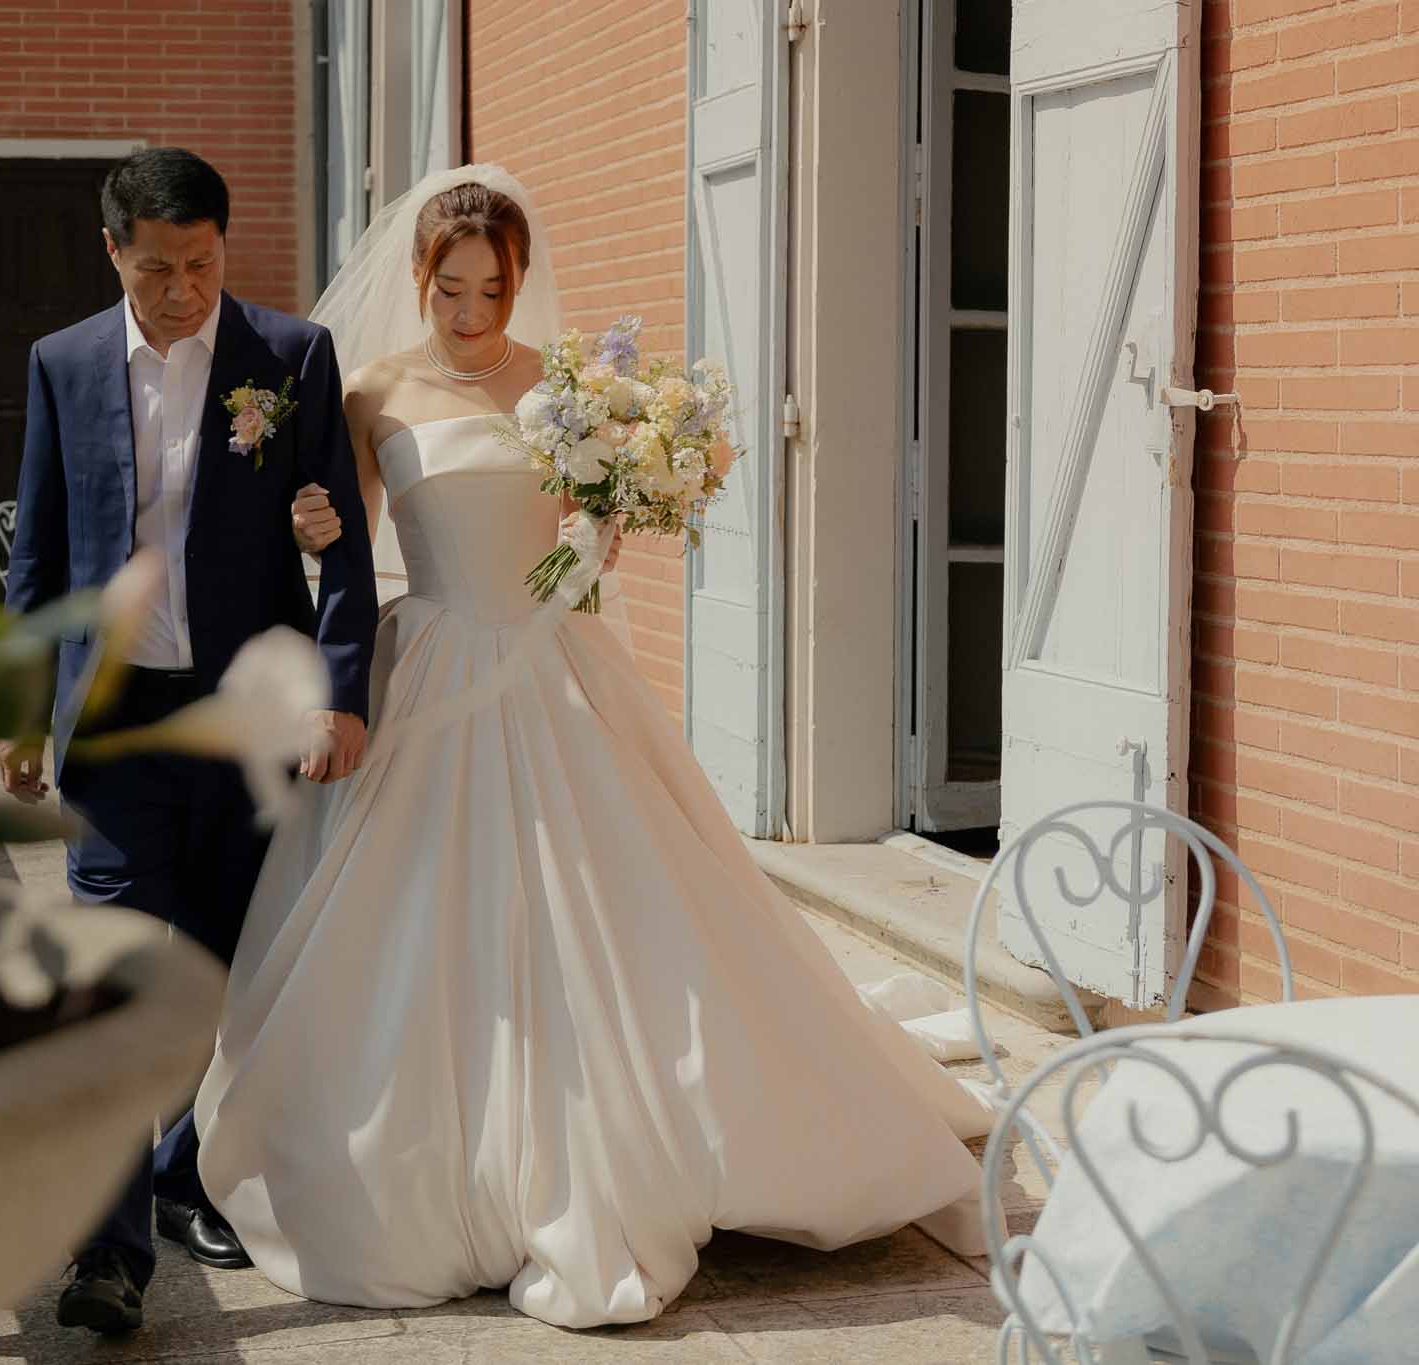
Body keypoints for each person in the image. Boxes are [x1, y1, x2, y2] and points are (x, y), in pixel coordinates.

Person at [189, 165, 998, 1330]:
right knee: (428, 921)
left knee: (625, 900)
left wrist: (601, 528)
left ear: (519, 284)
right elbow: (349, 551)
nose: (469, 315)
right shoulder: (371, 388)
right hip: (435, 668)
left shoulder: (569, 387)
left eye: (491, 290)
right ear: (418, 279)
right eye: (449, 289)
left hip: (554, 662)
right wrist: (314, 533)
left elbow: (590, 510)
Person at [0, 146, 379, 1335]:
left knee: (213, 977)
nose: (181, 291)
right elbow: (45, 553)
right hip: (112, 727)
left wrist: (346, 690)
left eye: (202, 265)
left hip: (242, 725)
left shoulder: (288, 357)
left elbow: (340, 541)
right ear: (112, 251)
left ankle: (174, 1171)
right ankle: (106, 1258)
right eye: (156, 269)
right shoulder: (61, 365)